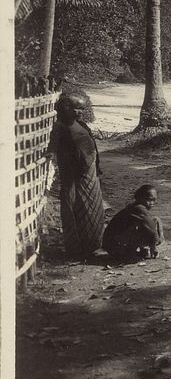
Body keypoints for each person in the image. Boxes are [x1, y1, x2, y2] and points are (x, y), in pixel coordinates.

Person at [46, 93, 105, 260]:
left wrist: (96, 168)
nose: (80, 112)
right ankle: (77, 250)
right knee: (75, 208)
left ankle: (93, 245)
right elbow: (52, 147)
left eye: (82, 108)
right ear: (65, 108)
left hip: (89, 174)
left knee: (93, 209)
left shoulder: (81, 125)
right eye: (76, 108)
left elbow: (92, 147)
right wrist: (50, 156)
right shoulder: (60, 127)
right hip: (74, 176)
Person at [102, 185, 164, 263]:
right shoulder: (138, 208)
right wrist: (153, 246)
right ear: (139, 198)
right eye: (148, 200)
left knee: (155, 220)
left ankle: (134, 251)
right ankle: (128, 255)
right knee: (145, 225)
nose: (152, 203)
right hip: (114, 246)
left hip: (115, 243)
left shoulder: (137, 207)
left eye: (154, 200)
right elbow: (151, 227)